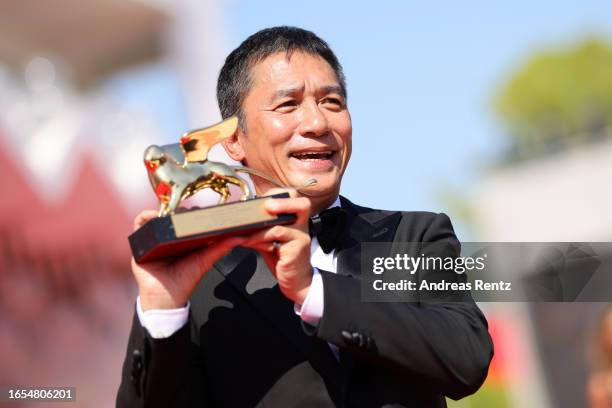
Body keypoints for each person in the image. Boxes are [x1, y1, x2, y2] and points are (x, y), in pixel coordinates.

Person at [117, 26, 493, 407]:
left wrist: (313, 290)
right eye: (288, 104)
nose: (317, 123)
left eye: (332, 102)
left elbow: (466, 360)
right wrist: (162, 309)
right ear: (233, 140)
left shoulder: (413, 236)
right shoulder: (203, 276)